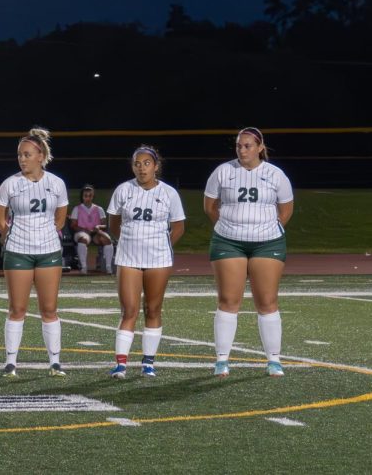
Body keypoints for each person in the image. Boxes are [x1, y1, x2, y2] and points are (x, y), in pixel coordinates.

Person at [203, 127, 293, 377]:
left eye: (247, 146)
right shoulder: (223, 171)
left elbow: (285, 211)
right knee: (229, 300)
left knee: (267, 301)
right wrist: (232, 227)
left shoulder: (276, 175)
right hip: (228, 241)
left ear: (260, 147)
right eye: (239, 146)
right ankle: (222, 359)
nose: (242, 150)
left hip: (267, 242)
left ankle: (274, 359)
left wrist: (264, 230)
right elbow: (210, 207)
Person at [105, 146, 185, 378]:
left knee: (153, 308)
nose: (141, 168)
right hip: (128, 256)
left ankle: (148, 363)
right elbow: (114, 223)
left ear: (156, 166)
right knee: (129, 310)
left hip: (158, 257)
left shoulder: (169, 193)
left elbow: (178, 227)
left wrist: (162, 245)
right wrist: (129, 241)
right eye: (137, 164)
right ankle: (121, 364)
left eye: (146, 163)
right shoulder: (123, 190)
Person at [0, 127, 68, 378]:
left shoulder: (56, 183)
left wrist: (44, 234)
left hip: (48, 251)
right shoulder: (10, 184)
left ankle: (55, 362)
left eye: (27, 155)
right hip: (18, 251)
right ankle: (11, 362)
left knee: (49, 308)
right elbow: (0, 220)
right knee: (17, 308)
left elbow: (60, 219)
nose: (22, 159)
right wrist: (16, 237)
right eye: (20, 155)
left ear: (40, 156)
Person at [70, 185, 113, 274]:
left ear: (93, 196)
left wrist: (98, 227)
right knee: (83, 239)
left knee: (107, 240)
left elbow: (104, 224)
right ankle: (84, 267)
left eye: (90, 195)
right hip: (82, 232)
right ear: (82, 196)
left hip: (95, 233)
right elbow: (73, 225)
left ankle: (108, 267)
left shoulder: (99, 209)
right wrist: (85, 230)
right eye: (86, 195)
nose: (88, 198)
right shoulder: (77, 209)